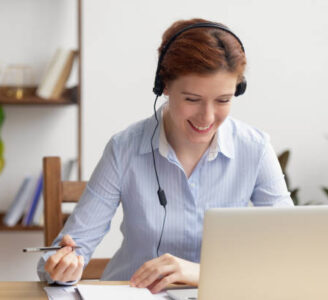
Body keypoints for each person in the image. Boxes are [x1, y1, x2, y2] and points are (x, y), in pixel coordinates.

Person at [37, 18, 293, 293]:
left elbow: (291, 252)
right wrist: (63, 266)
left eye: (223, 100)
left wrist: (198, 272)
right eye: (192, 99)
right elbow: (65, 252)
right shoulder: (125, 148)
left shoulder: (254, 149)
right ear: (165, 86)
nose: (207, 117)